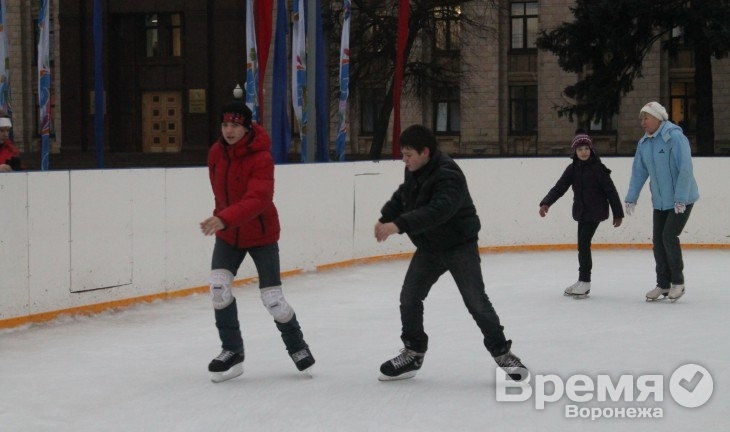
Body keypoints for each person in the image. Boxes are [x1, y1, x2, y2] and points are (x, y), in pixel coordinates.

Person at [374, 124, 528, 382]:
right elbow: (404, 195)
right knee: (409, 298)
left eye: (408, 154)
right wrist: (386, 216)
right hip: (429, 248)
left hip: (459, 246)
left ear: (425, 152)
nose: (404, 159)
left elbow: (438, 210)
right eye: (403, 154)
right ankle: (413, 352)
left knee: (476, 302)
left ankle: (503, 354)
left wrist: (398, 225)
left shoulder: (448, 174)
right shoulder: (414, 169)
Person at [200, 100, 314, 382]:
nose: (229, 130)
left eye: (235, 125)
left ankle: (298, 347)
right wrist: (222, 219)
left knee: (273, 300)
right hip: (228, 235)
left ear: (246, 127)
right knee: (218, 289)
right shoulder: (216, 152)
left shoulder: (261, 158)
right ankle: (232, 352)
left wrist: (224, 218)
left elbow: (259, 198)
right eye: (225, 125)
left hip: (261, 235)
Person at [625, 101, 699, 302]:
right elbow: (639, 172)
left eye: (646, 118)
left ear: (658, 118)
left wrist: (681, 198)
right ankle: (663, 284)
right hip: (660, 201)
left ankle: (678, 282)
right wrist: (632, 197)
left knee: (668, 236)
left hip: (681, 199)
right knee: (658, 241)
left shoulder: (675, 137)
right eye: (641, 119)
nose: (643, 123)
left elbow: (685, 169)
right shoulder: (644, 143)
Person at [539, 130, 624, 298]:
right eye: (580, 149)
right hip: (581, 212)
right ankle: (581, 280)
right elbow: (560, 187)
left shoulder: (598, 168)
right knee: (581, 246)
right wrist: (546, 202)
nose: (584, 152)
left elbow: (611, 191)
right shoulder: (572, 169)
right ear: (575, 152)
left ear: (591, 149)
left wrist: (618, 213)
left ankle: (585, 281)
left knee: (584, 245)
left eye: (586, 148)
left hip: (596, 211)